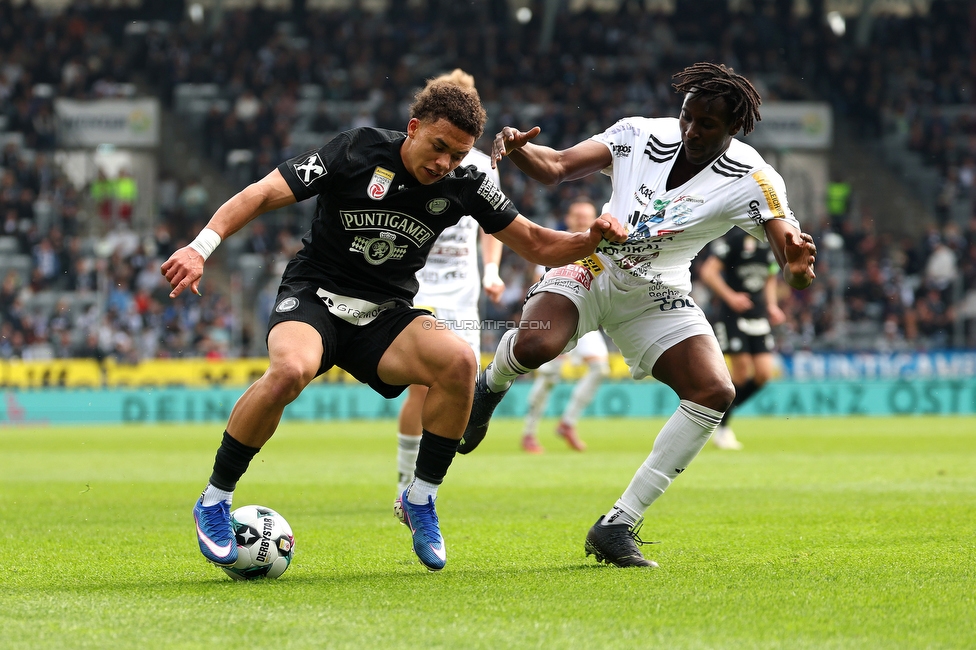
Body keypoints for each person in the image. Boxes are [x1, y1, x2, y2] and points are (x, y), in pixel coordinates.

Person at [161, 71, 627, 573]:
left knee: (458, 362)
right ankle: (213, 499)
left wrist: (591, 238)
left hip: (385, 316)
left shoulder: (465, 182)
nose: (444, 162)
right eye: (438, 146)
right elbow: (260, 194)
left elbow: (536, 242)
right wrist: (200, 247)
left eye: (458, 153)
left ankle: (420, 498)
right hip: (315, 297)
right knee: (291, 371)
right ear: (413, 127)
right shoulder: (355, 150)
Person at [459, 62, 818, 568]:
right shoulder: (640, 133)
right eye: (687, 117)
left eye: (706, 125)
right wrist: (520, 151)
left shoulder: (756, 178)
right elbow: (558, 164)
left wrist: (800, 273)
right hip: (592, 262)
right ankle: (488, 387)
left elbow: (791, 260)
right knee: (537, 344)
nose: (690, 130)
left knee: (715, 392)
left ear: (733, 128)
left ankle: (617, 524)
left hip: (657, 291)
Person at [394, 70, 505, 498]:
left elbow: (493, 228)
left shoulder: (479, 168)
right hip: (418, 287)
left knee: (462, 384)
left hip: (461, 292)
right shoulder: (419, 158)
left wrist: (492, 270)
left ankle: (422, 482)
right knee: (422, 388)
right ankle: (409, 483)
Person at [521, 197, 610, 454]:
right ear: (569, 219)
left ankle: (567, 423)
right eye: (578, 216)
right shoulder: (556, 244)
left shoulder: (604, 249)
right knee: (549, 377)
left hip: (587, 320)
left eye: (587, 217)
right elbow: (540, 283)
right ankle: (529, 432)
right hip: (557, 318)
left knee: (600, 368)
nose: (582, 221)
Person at [697, 227, 786, 450]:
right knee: (741, 370)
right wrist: (731, 296)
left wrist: (772, 306)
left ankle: (718, 415)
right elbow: (709, 272)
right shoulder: (736, 240)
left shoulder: (771, 243)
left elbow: (770, 278)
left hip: (758, 316)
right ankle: (723, 428)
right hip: (732, 315)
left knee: (764, 373)